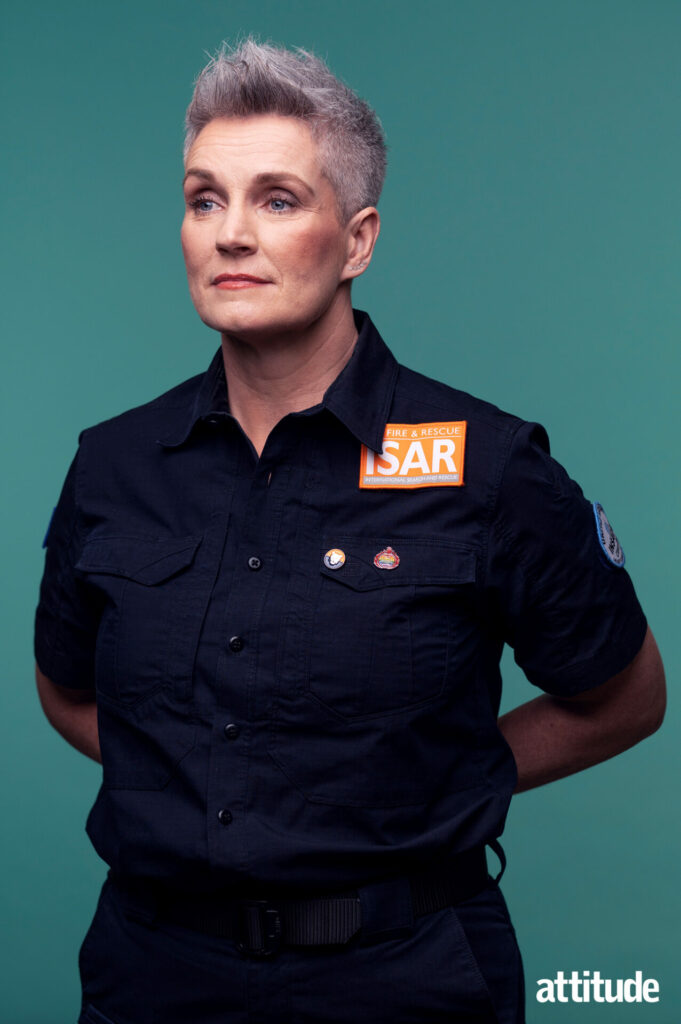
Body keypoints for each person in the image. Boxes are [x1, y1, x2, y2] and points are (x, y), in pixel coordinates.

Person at [34, 39, 665, 1024]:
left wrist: (451, 777)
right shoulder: (114, 465)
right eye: (205, 198)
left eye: (277, 200)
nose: (231, 234)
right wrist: (183, 774)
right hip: (153, 975)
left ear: (358, 240)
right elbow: (64, 684)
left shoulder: (483, 464)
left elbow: (626, 695)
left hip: (406, 976)